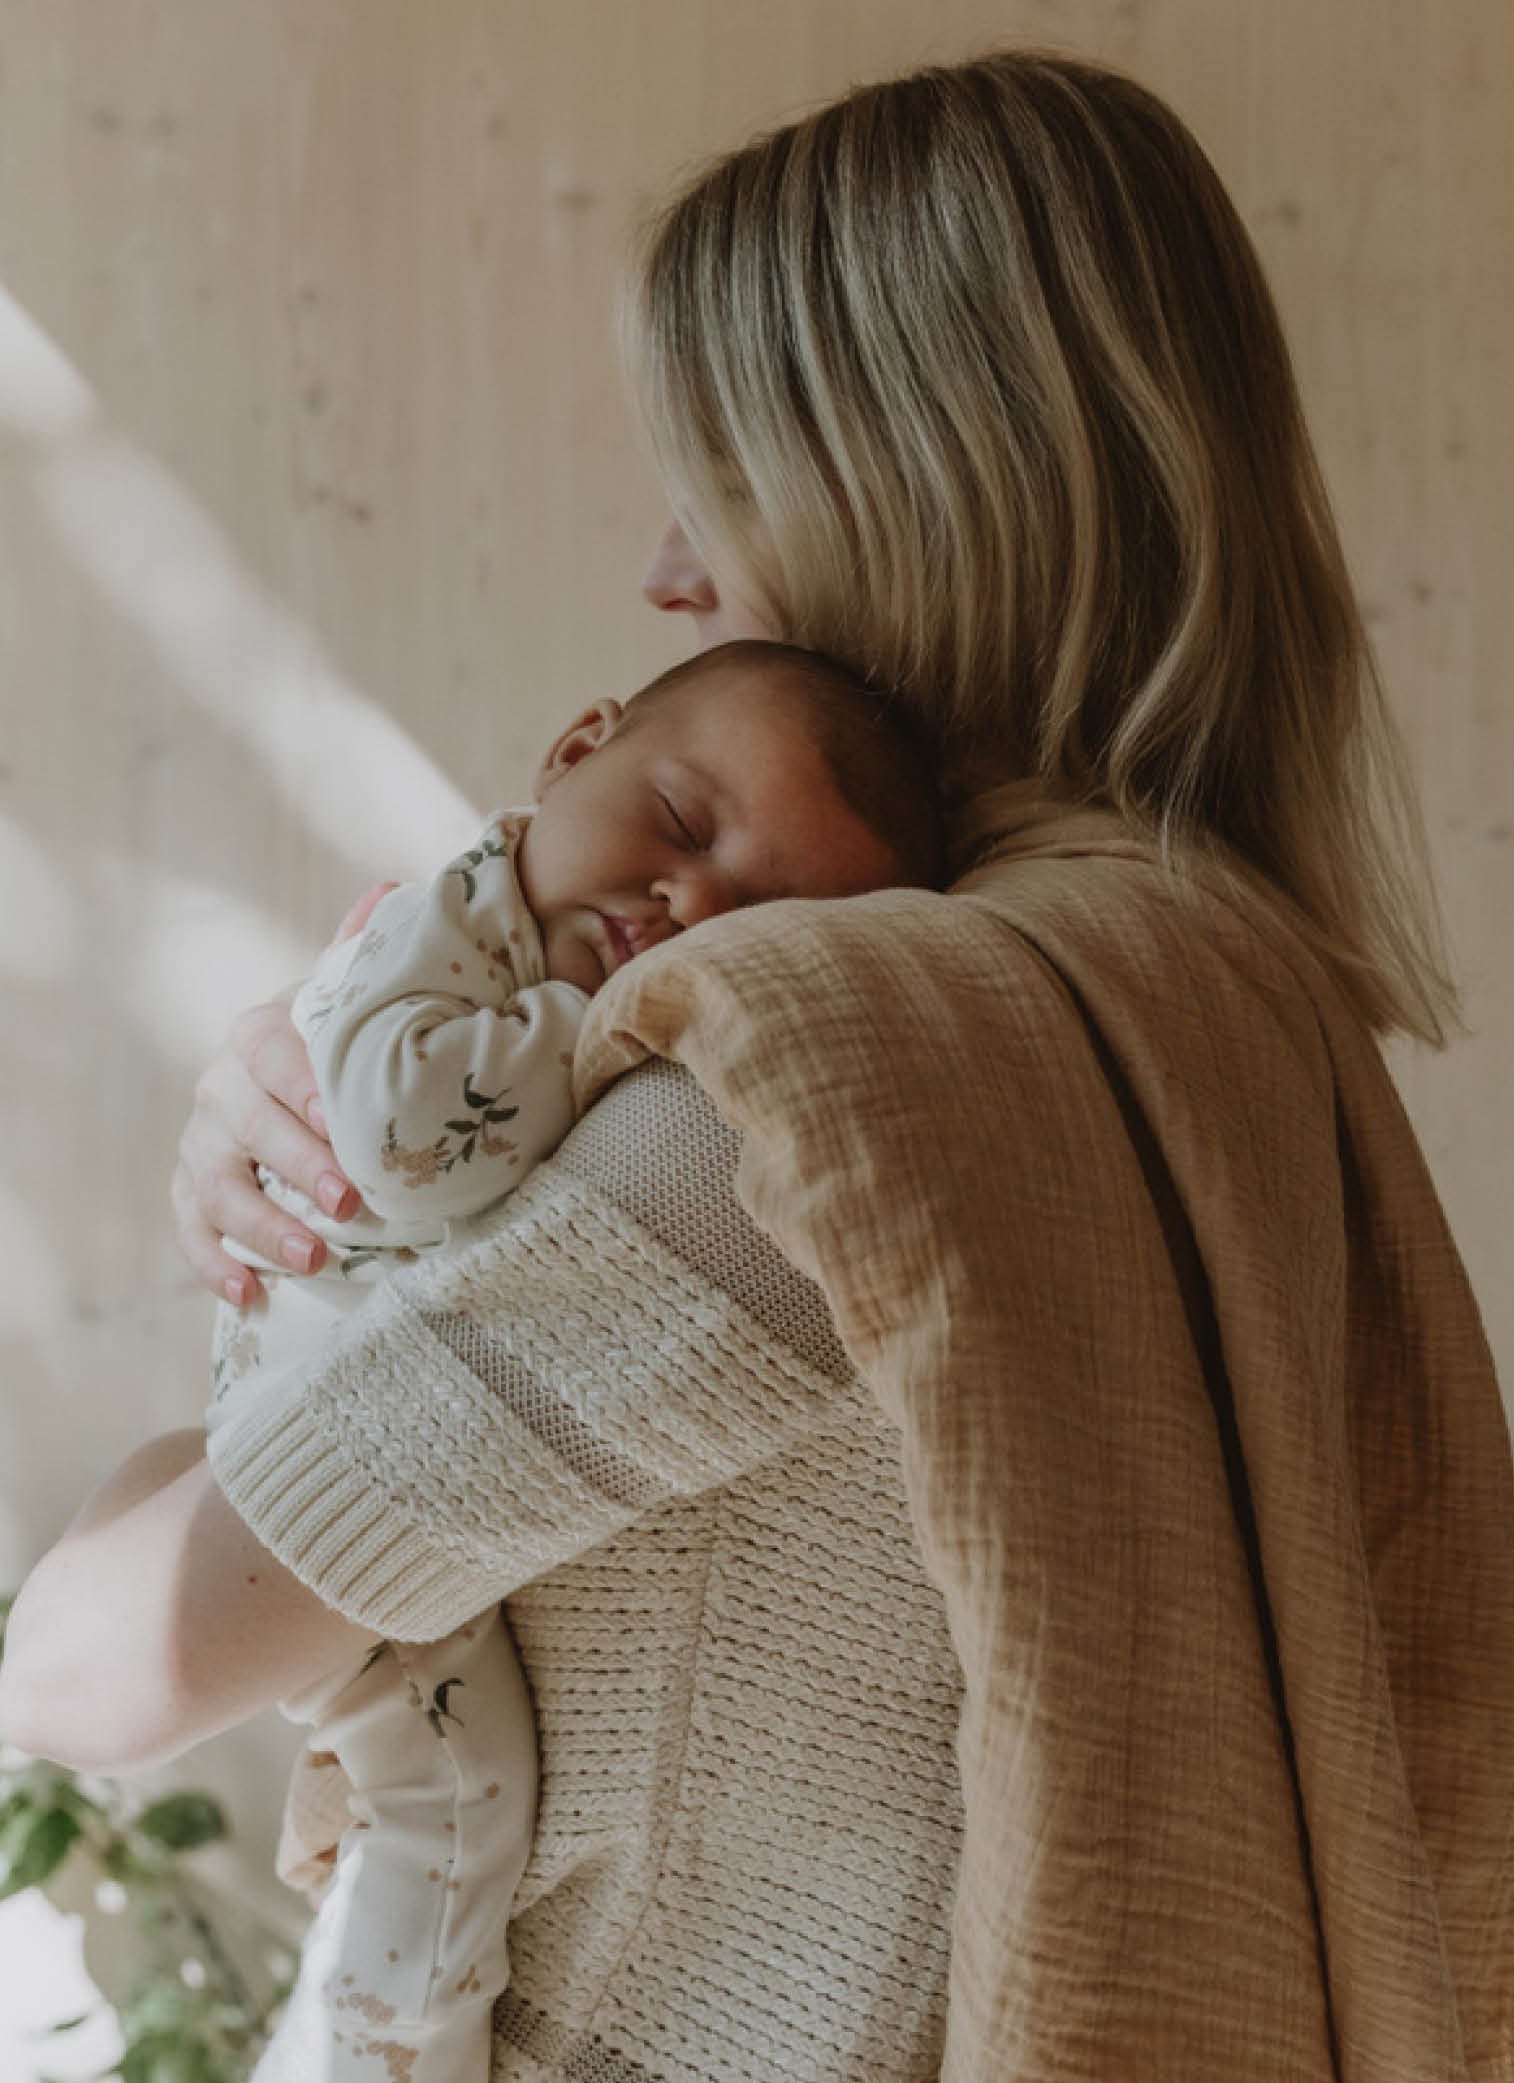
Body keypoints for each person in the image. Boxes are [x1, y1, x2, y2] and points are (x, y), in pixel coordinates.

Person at [2, 50, 1514, 2083]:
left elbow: (94, 1668)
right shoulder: (1211, 979)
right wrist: (298, 1114)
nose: (661, 574)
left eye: (714, 487)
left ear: (911, 482)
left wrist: (257, 1324)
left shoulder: (821, 1086)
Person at [201, 639, 943, 2083]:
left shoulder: (515, 958)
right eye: (680, 827)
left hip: (334, 1407)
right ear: (573, 747)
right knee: (454, 1796)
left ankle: (392, 2029)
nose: (692, 906)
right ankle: (388, 2046)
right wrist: (602, 1032)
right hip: (303, 1406)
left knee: (449, 1791)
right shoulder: (445, 930)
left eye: (761, 919)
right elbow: (411, 1150)